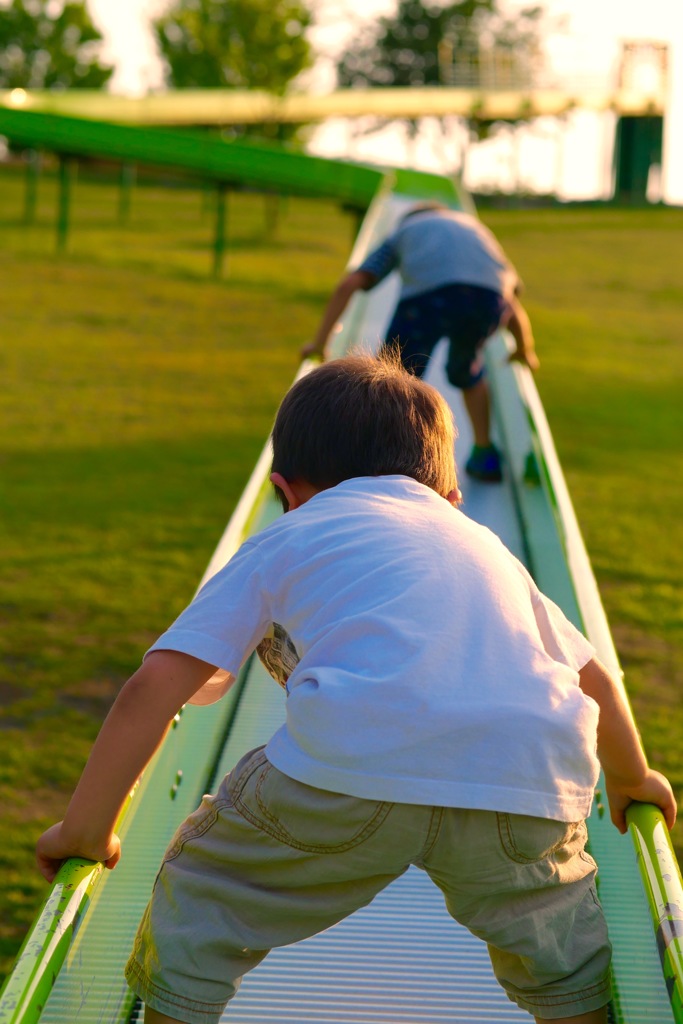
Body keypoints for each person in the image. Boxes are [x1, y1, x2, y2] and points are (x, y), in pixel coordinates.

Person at [36, 354, 675, 1024]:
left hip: (347, 768)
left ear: (287, 490)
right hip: (527, 782)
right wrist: (632, 779)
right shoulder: (485, 546)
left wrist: (86, 830)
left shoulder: (289, 534)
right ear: (448, 497)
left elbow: (158, 683)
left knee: (203, 895)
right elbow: (590, 673)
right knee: (558, 952)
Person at [303, 203, 539, 483]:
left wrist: (320, 343)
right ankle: (485, 455)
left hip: (427, 300)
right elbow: (510, 303)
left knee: (394, 379)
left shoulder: (404, 231)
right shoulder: (476, 231)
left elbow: (350, 284)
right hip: (488, 300)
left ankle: (387, 457)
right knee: (468, 371)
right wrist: (525, 348)